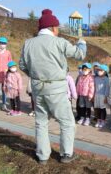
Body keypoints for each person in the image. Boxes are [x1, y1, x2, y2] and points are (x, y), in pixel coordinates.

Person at [19, 9, 86, 164]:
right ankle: (66, 154)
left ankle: (42, 156)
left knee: (41, 122)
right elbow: (79, 55)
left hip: (37, 88)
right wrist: (82, 43)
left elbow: (22, 65)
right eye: (57, 28)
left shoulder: (28, 43)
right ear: (53, 28)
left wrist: (35, 75)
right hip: (56, 89)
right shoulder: (59, 42)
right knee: (66, 122)